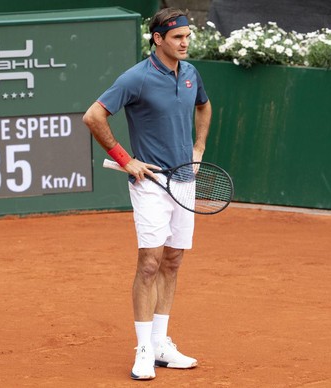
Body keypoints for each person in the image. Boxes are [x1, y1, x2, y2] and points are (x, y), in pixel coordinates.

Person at [82, 8, 212, 381]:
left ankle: (160, 345)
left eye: (187, 36)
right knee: (150, 263)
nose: (185, 42)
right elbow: (93, 116)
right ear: (158, 39)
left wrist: (198, 149)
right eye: (177, 37)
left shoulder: (190, 74)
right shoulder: (136, 78)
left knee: (172, 262)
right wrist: (126, 160)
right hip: (151, 184)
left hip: (185, 180)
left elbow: (204, 106)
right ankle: (141, 349)